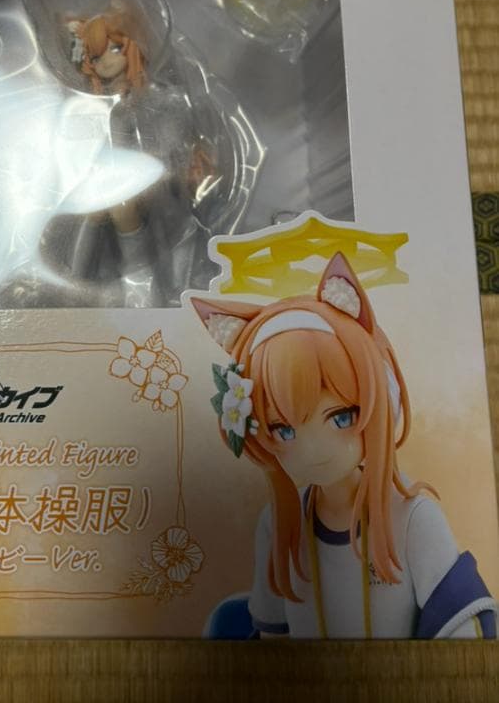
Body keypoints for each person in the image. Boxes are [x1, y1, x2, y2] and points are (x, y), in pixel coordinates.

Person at [191, 252, 497, 639]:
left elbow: (464, 627)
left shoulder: (412, 518)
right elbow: (272, 636)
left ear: (382, 402)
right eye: (283, 430)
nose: (313, 450)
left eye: (340, 417)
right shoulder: (278, 525)